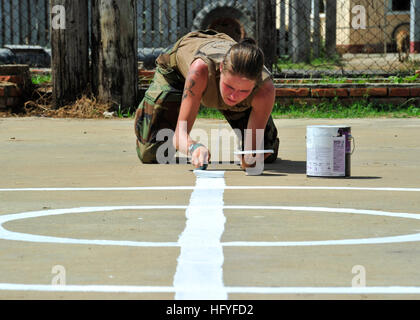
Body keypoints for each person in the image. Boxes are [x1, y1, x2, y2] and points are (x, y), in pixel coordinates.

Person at [134, 29, 279, 170]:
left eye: (244, 91)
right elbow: (179, 136)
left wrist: (249, 159)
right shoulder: (200, 70)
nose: (234, 96)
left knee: (265, 151)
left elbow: (250, 156)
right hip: (176, 74)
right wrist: (194, 147)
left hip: (220, 57)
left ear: (256, 83)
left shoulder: (265, 90)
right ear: (221, 68)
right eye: (229, 86)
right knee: (151, 153)